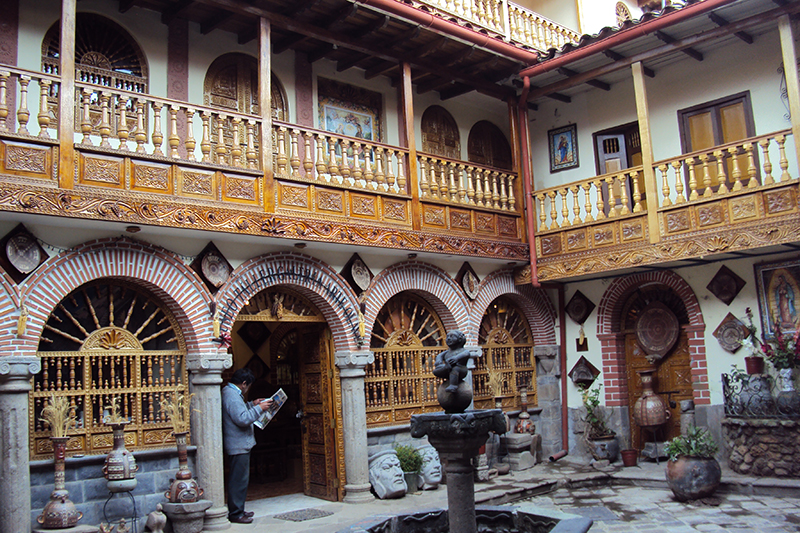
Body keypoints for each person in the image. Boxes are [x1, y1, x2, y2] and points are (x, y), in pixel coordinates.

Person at [222, 368, 273, 524]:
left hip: (240, 444)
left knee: (241, 480)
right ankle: (236, 514)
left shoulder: (231, 393)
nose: (248, 389)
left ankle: (239, 509)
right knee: (238, 480)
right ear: (244, 384)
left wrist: (252, 404)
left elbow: (240, 410)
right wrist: (259, 409)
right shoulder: (231, 395)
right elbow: (242, 419)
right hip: (238, 444)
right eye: (248, 386)